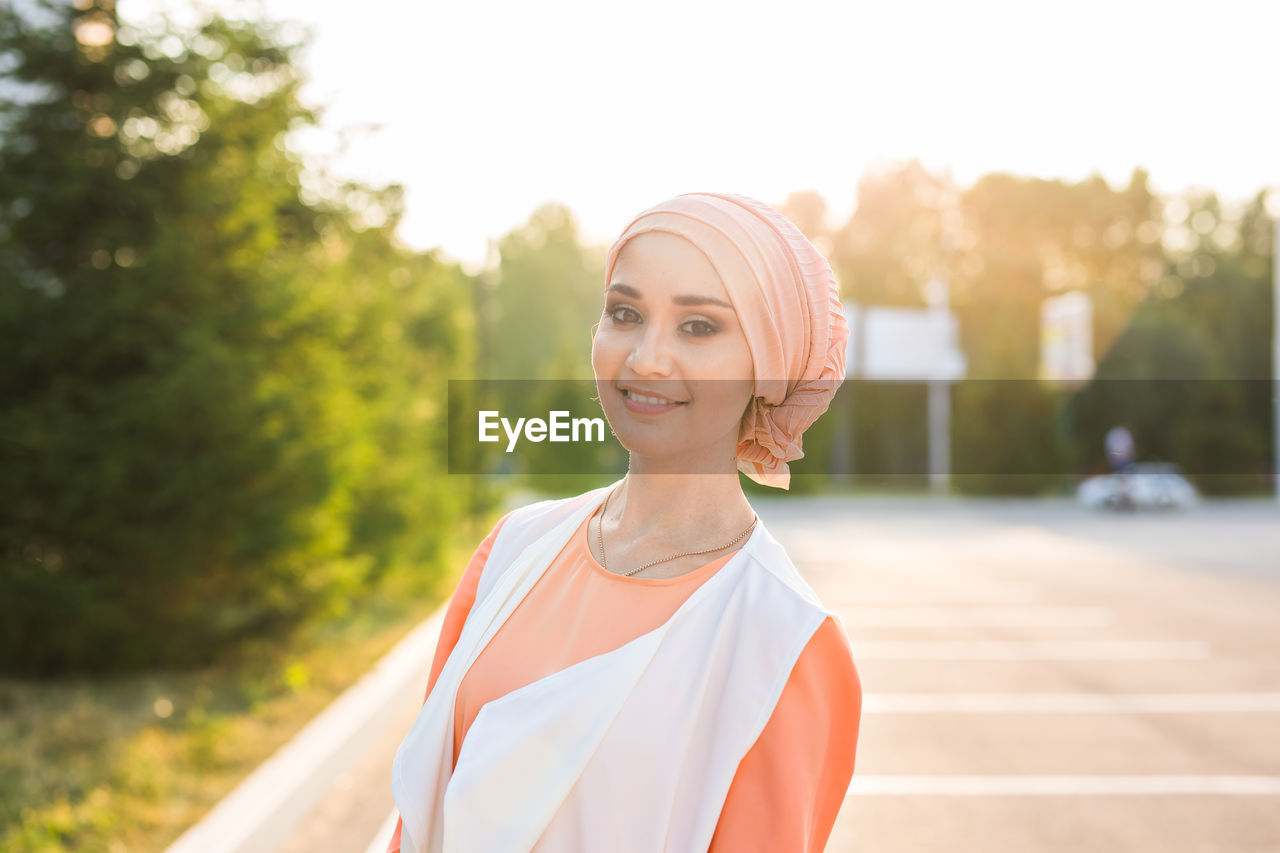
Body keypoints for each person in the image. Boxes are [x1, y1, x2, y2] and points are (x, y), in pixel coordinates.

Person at [386, 192, 862, 853]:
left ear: (769, 364)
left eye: (699, 326)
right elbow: (420, 815)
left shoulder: (784, 642)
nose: (645, 359)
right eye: (625, 313)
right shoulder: (514, 548)